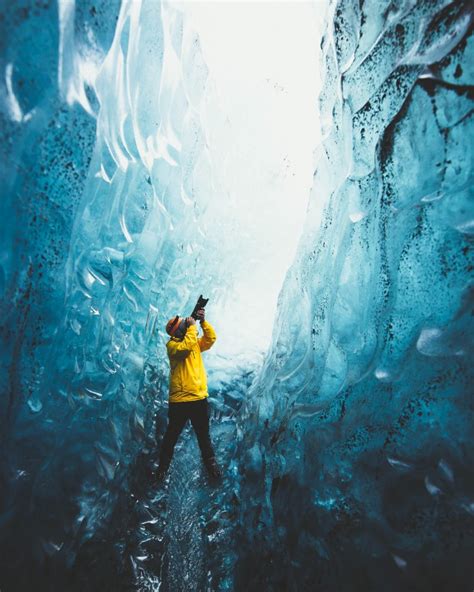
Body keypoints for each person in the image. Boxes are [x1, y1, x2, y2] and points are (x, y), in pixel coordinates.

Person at [156, 307, 221, 481]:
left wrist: (203, 322)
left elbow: (211, 339)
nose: (184, 326)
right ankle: (162, 469)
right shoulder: (173, 346)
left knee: (203, 435)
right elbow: (184, 348)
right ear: (174, 332)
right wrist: (192, 327)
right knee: (171, 436)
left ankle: (212, 467)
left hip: (198, 397)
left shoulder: (193, 343)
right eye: (181, 326)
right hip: (180, 400)